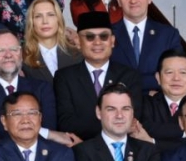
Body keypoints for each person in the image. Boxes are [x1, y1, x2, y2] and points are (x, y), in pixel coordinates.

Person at [0, 29, 70, 144]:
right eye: (0, 50)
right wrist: (48, 134)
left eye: (14, 49)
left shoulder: (42, 88)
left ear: (21, 54)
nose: (8, 55)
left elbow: (49, 124)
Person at [55, 11, 140, 142]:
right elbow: (66, 124)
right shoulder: (65, 77)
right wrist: (115, 124)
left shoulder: (129, 76)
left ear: (112, 41)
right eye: (89, 37)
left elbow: (132, 121)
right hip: (79, 153)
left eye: (104, 36)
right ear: (78, 41)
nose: (97, 42)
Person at [110, 0, 184, 92]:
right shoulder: (106, 35)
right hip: (118, 107)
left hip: (157, 106)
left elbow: (175, 76)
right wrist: (153, 80)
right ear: (118, 0)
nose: (133, 0)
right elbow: (103, 76)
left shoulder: (168, 35)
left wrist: (124, 82)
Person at [133, 49, 186, 153]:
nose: (176, 78)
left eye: (183, 72)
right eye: (169, 72)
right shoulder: (145, 103)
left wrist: (151, 141)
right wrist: (184, 131)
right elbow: (145, 126)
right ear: (158, 77)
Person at [21, 0, 82, 82]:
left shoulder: (77, 54)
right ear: (32, 22)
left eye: (51, 15)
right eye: (38, 16)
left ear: (58, 19)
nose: (45, 21)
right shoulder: (22, 57)